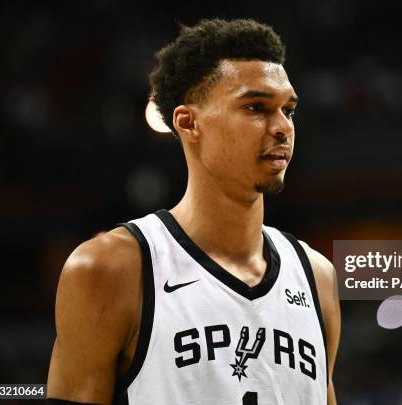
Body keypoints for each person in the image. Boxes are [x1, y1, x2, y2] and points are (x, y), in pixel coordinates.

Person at [47, 18, 340, 405]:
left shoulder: (316, 277)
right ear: (188, 123)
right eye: (256, 107)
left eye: (288, 109)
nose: (283, 127)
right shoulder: (109, 269)